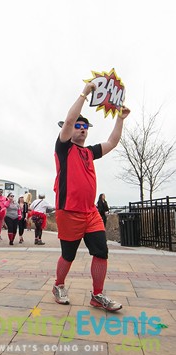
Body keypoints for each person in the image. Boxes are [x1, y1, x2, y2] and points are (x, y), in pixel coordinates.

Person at [52, 82, 131, 312]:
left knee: (101, 251)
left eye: (85, 126)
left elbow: (113, 142)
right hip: (68, 211)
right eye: (78, 126)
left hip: (91, 212)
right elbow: (68, 122)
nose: (82, 128)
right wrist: (85, 93)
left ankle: (97, 295)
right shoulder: (63, 148)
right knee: (68, 255)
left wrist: (120, 119)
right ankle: (58, 286)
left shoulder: (89, 152)